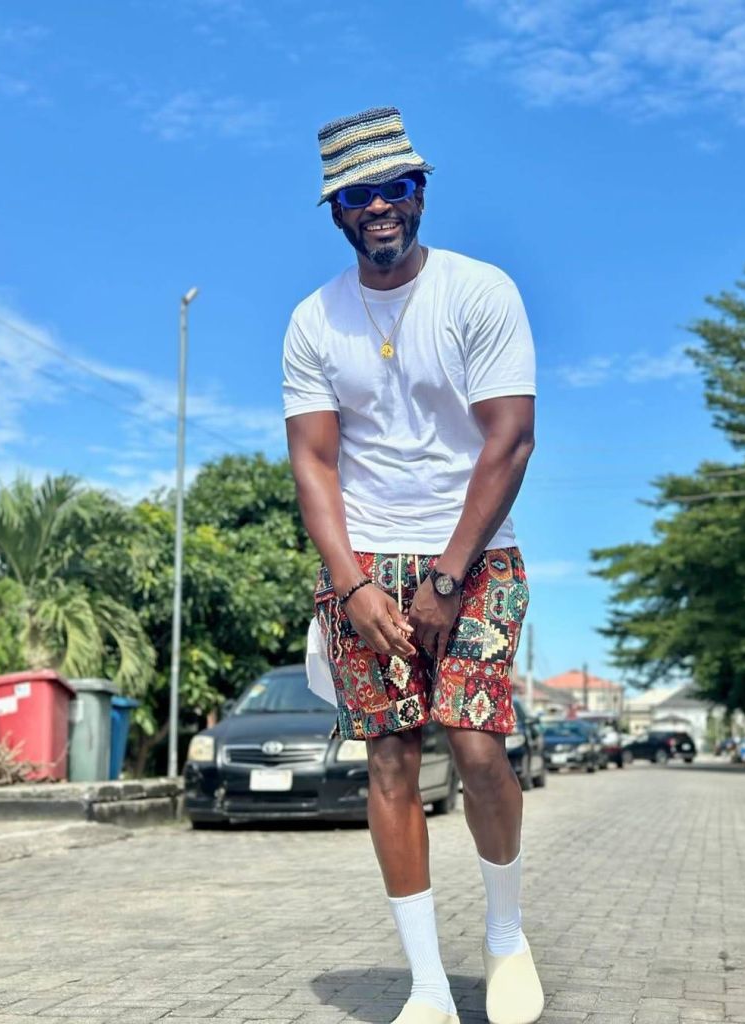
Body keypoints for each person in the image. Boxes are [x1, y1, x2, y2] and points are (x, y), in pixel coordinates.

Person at [282, 106, 544, 1024]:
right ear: (337, 211)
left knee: (475, 742)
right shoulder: (313, 321)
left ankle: (506, 942)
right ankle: (427, 985)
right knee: (390, 766)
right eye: (359, 195)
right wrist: (351, 585)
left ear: (419, 193)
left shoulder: (480, 292)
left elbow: (508, 441)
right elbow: (313, 461)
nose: (379, 206)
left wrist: (443, 577)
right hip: (363, 566)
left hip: (476, 555)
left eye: (394, 188)